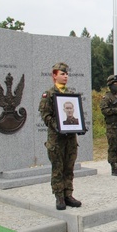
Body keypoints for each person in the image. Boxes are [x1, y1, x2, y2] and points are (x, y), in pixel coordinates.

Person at [39, 62, 82, 210]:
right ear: (54, 76)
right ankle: (59, 196)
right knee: (58, 168)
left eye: (67, 74)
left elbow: (76, 114)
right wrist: (57, 125)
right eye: (62, 74)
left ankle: (68, 194)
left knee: (69, 167)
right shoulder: (48, 95)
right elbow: (45, 115)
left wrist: (80, 126)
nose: (65, 77)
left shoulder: (71, 94)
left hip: (70, 138)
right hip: (56, 139)